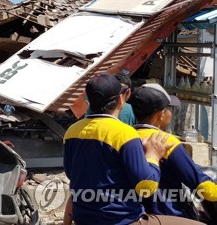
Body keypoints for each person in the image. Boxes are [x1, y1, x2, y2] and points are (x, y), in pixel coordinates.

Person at [63, 73, 202, 225]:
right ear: (121, 99)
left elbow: (72, 175)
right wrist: (153, 156)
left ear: (88, 100)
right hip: (122, 220)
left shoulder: (72, 132)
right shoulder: (124, 134)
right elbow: (146, 187)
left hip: (85, 218)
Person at [130, 83, 217, 219]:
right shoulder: (167, 141)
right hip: (168, 214)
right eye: (169, 108)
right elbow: (201, 185)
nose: (171, 112)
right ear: (161, 115)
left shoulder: (127, 137)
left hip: (136, 213)